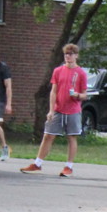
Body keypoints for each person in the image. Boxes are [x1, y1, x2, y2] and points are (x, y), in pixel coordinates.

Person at [20, 44, 88, 176]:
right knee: (48, 135)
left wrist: (78, 95)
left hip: (73, 110)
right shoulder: (58, 70)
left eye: (71, 54)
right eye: (66, 54)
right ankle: (37, 164)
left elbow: (85, 95)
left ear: (76, 55)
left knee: (71, 137)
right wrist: (51, 110)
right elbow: (54, 91)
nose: (68, 56)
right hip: (58, 109)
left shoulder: (81, 73)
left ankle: (69, 167)